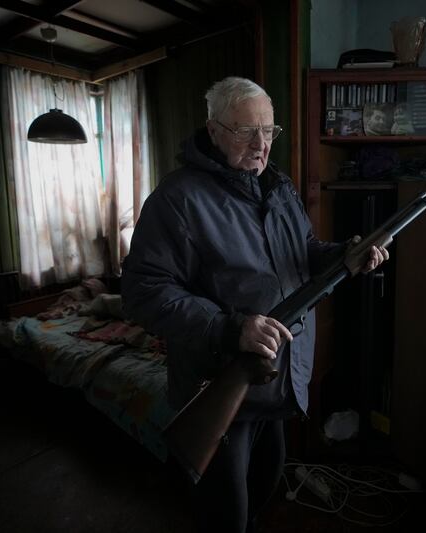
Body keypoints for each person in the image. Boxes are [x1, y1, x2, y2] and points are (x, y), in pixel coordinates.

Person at [121, 76, 388, 533]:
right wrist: (231, 327)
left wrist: (345, 254)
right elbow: (143, 293)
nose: (262, 144)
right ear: (214, 129)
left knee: (263, 490)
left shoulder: (277, 187)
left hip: (278, 381)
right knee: (226, 515)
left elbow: (302, 251)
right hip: (220, 385)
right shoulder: (177, 198)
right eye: (247, 131)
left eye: (269, 131)